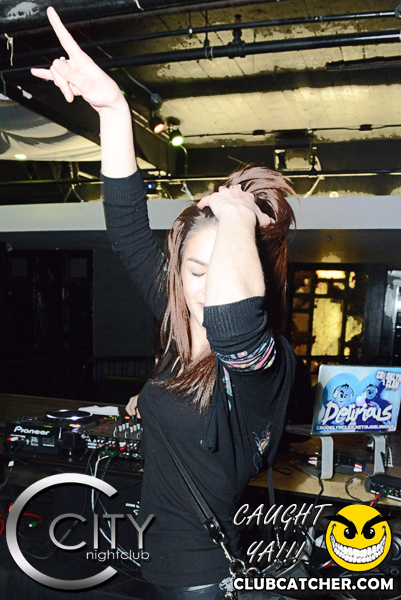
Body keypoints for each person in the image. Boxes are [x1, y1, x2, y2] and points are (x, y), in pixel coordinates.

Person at [32, 7, 298, 599]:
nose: (200, 289)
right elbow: (128, 231)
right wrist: (113, 111)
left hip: (201, 580)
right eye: (193, 271)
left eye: (217, 272)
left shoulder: (264, 363)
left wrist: (235, 214)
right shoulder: (181, 328)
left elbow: (233, 325)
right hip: (153, 561)